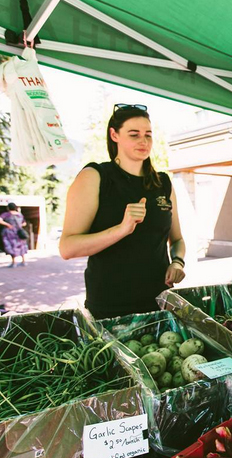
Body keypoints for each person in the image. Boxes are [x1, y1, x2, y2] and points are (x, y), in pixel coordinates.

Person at [59, 104, 186, 319]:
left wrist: (177, 262)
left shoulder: (163, 182)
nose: (143, 141)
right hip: (110, 307)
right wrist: (121, 229)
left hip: (160, 302)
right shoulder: (95, 176)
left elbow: (177, 240)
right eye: (134, 134)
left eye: (148, 135)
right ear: (114, 135)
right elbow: (67, 248)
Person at [0, 203, 29, 268]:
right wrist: (19, 226)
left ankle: (14, 262)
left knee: (12, 246)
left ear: (8, 208)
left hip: (10, 233)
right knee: (21, 245)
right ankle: (23, 261)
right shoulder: (19, 215)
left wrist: (7, 225)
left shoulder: (6, 214)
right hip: (19, 232)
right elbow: (24, 223)